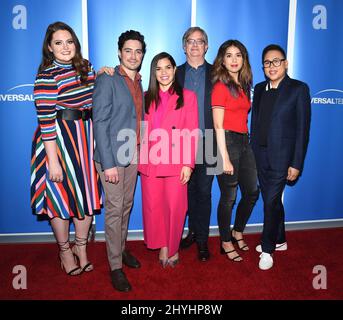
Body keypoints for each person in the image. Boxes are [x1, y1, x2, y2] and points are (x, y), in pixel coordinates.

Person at [30, 21, 102, 276]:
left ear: (76, 44)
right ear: (49, 47)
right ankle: (63, 250)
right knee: (59, 200)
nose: (65, 47)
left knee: (86, 197)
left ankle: (81, 248)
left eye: (69, 41)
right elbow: (46, 121)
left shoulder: (87, 68)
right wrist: (54, 161)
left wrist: (104, 73)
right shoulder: (46, 76)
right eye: (58, 42)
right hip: (58, 142)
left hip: (85, 138)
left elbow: (97, 95)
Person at [92, 30, 145, 291]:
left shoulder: (139, 81)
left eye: (138, 51)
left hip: (132, 153)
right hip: (111, 157)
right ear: (119, 53)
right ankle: (115, 266)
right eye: (128, 50)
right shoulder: (107, 79)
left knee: (126, 206)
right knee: (114, 209)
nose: (133, 55)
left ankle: (121, 249)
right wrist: (108, 162)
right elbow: (99, 123)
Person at [250, 44, 311, 270]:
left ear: (285, 63)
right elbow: (255, 124)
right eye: (267, 62)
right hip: (260, 155)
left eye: (276, 61)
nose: (271, 66)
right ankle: (281, 239)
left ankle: (267, 249)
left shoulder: (298, 89)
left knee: (271, 202)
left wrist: (296, 163)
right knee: (271, 201)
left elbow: (303, 130)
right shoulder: (258, 88)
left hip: (283, 158)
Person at [139, 52, 199, 268]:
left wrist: (188, 164)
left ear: (175, 70)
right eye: (158, 68)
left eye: (167, 67)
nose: (163, 72)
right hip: (150, 161)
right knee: (154, 206)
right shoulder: (145, 96)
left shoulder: (188, 96)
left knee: (175, 206)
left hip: (176, 160)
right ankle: (162, 243)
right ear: (153, 72)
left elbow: (192, 131)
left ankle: (172, 247)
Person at [211, 40, 259, 262]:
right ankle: (225, 241)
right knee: (228, 197)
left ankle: (237, 230)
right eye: (228, 55)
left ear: (244, 59)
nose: (233, 60)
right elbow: (218, 125)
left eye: (238, 55)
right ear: (222, 59)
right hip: (226, 142)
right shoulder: (220, 86)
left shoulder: (244, 85)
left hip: (244, 141)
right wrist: (224, 158)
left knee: (252, 191)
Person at [176, 26, 215, 261]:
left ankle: (202, 240)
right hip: (180, 142)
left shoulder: (218, 73)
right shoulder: (174, 73)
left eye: (200, 41)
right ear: (184, 46)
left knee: (204, 192)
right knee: (185, 192)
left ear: (206, 46)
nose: (194, 45)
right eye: (190, 41)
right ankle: (191, 231)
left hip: (210, 140)